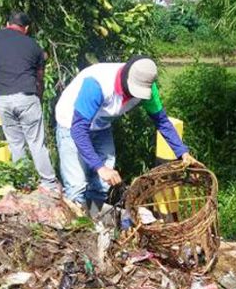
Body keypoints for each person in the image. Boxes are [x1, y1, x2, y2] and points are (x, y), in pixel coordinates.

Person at [54, 56, 196, 211]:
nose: (135, 96)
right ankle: (76, 228)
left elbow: (161, 121)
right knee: (76, 185)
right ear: (125, 77)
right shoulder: (97, 84)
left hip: (101, 124)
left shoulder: (147, 86)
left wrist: (182, 152)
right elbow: (78, 129)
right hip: (71, 123)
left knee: (102, 185)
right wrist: (100, 167)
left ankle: (94, 220)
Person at [0, 11, 58, 190]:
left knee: (15, 143)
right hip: (26, 96)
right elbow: (39, 78)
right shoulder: (34, 46)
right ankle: (48, 183)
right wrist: (38, 98)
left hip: (2, 98)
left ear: (7, 23)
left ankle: (24, 184)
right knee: (36, 143)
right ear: (26, 28)